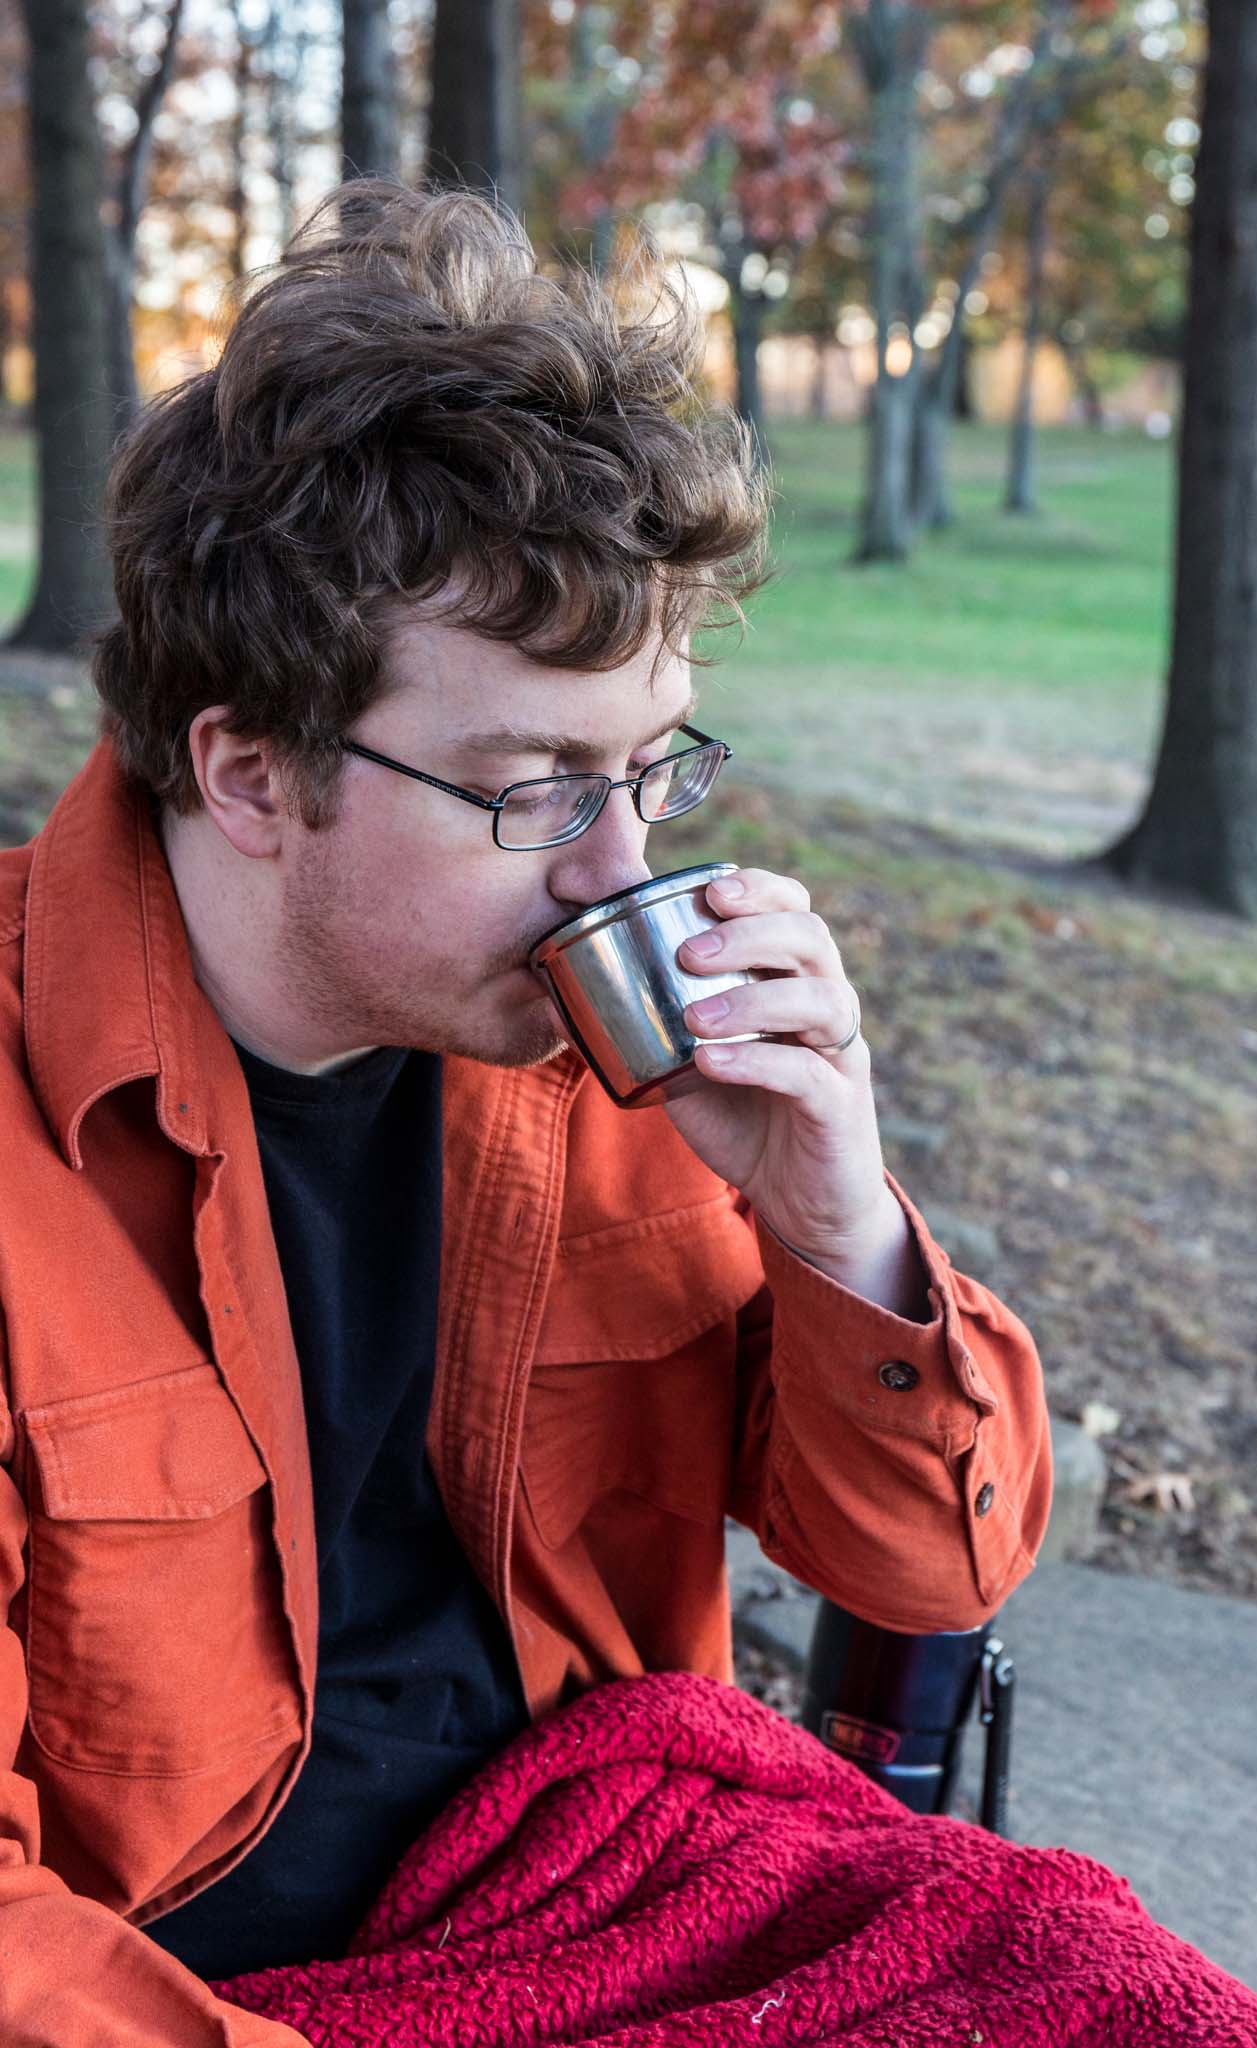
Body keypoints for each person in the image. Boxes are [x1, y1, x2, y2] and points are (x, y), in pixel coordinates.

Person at [0, 181, 1051, 2045]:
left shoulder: (609, 1054)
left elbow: (923, 1570)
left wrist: (839, 1226)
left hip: (606, 1875)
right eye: (539, 788)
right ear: (252, 769)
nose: (623, 873)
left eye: (654, 769)